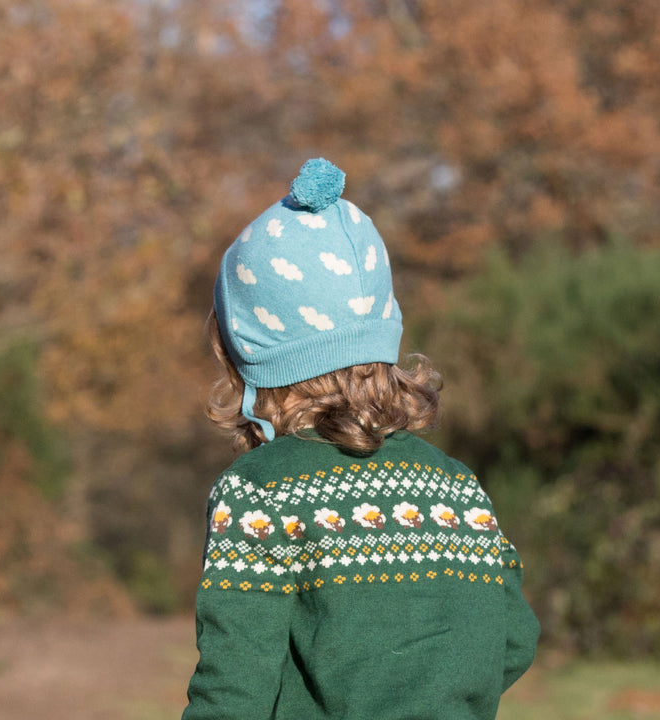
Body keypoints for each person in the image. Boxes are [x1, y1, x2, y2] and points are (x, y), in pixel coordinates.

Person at [181, 158, 539, 720]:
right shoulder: (457, 488)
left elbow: (234, 686)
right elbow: (513, 636)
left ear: (245, 355)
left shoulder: (259, 494)